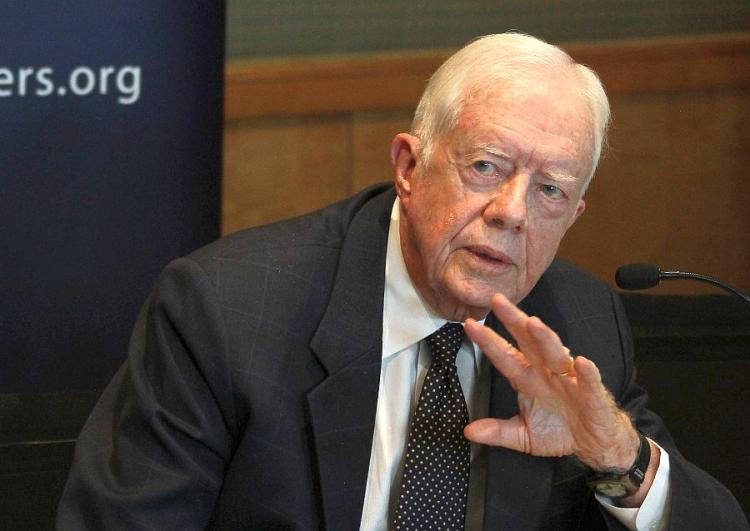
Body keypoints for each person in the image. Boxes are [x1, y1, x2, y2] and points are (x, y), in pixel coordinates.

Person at [57, 33, 747, 530]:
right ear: (410, 168)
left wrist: (615, 454)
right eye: (484, 166)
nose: (512, 212)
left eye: (551, 190)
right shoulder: (226, 311)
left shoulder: (580, 322)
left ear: (575, 215)